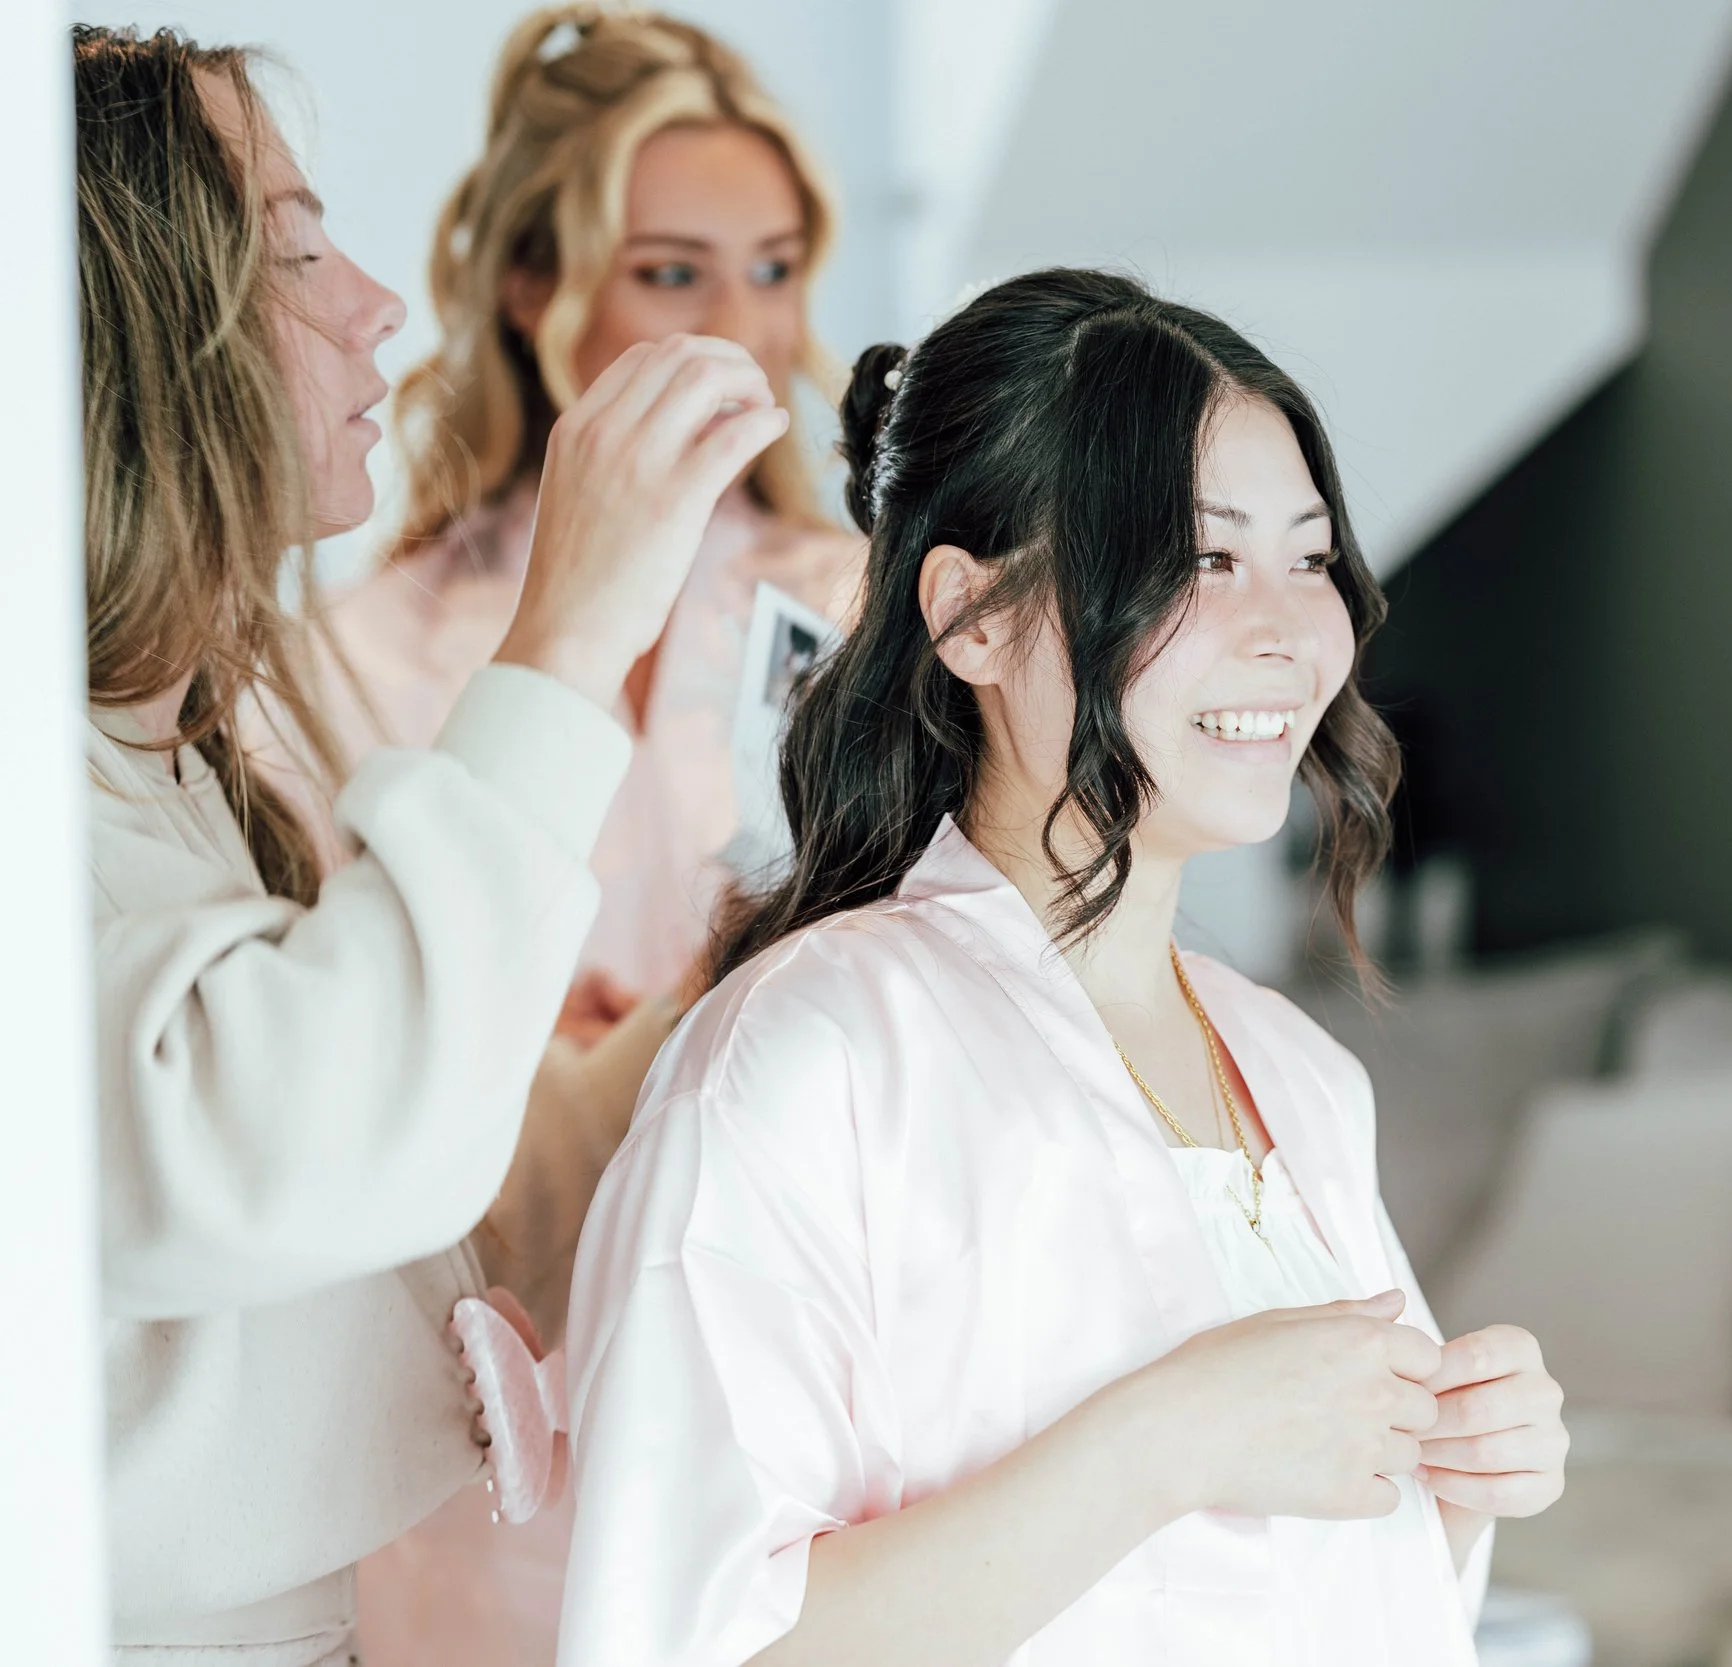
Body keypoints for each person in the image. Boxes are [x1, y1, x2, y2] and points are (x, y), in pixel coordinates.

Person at [557, 269, 1572, 1667]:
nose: (1286, 625)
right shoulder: (813, 1054)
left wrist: (1453, 1488)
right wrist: (1168, 1438)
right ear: (971, 617)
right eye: (1203, 559)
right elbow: (689, 1644)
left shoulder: (1301, 1073)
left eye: (1310, 553)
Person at [74, 25, 787, 1667]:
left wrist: (759, 958)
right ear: (127, 328)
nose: (372, 304)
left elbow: (449, 1188)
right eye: (297, 249)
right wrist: (568, 636)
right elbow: (315, 1140)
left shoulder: (174, 753)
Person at [278, 13, 866, 1661]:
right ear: (541, 286)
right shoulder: (366, 651)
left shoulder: (868, 620)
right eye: (674, 274)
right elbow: (346, 1031)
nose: (741, 327)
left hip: (776, 1339)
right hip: (479, 1375)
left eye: (773, 269)